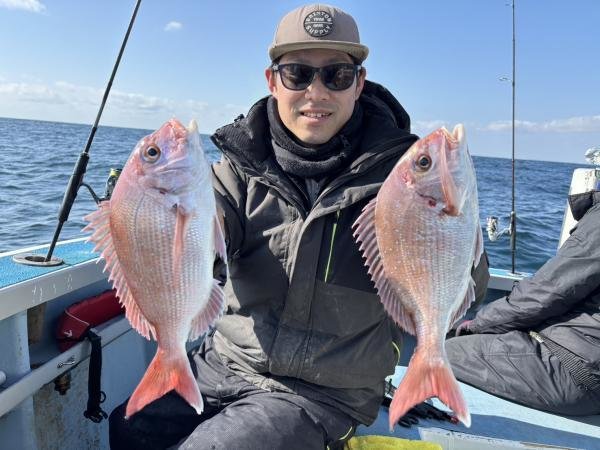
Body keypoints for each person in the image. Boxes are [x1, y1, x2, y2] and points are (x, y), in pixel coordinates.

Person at [109, 4, 489, 449]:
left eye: (337, 75)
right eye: (297, 74)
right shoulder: (235, 172)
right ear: (272, 81)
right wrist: (148, 217)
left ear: (359, 83)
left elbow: (470, 285)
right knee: (129, 427)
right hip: (227, 362)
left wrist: (457, 223)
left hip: (326, 392)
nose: (316, 91)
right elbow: (203, 243)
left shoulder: (400, 181)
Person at [446, 189, 600, 415]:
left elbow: (544, 295)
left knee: (440, 354)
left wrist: (475, 326)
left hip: (577, 370)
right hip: (587, 363)